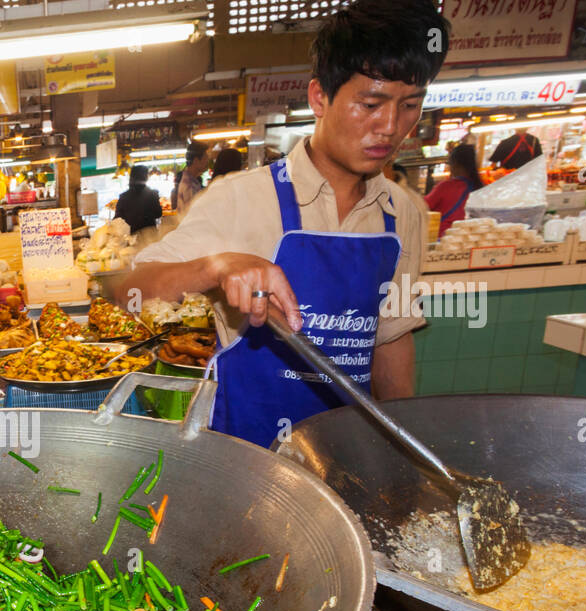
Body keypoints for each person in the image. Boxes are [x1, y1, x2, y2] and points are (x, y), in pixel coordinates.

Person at [119, 0, 446, 449]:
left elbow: (390, 340)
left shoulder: (402, 213)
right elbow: (132, 289)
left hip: (349, 453)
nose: (390, 127)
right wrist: (214, 267)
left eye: (410, 105)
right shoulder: (241, 198)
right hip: (247, 456)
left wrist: (404, 452)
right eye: (371, 103)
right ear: (319, 97)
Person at [425, 144, 483, 237]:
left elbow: (422, 207)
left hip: (443, 239)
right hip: (469, 239)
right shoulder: (481, 188)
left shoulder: (446, 187)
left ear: (455, 164)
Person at [113, 165, 162, 233]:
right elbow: (158, 213)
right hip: (150, 236)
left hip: (132, 237)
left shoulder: (123, 197)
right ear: (145, 177)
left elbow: (117, 219)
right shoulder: (152, 194)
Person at [173, 144, 210, 213]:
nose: (207, 161)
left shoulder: (192, 181)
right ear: (196, 161)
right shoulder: (190, 186)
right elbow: (195, 214)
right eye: (205, 158)